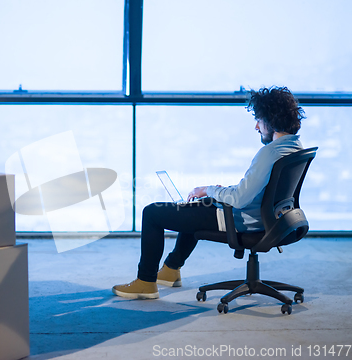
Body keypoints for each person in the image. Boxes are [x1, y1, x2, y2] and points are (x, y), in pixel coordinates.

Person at [112, 86, 306, 299]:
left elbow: (240, 198)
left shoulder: (269, 153)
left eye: (259, 120)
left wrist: (208, 190)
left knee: (152, 213)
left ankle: (145, 283)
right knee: (192, 208)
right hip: (269, 220)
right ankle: (170, 269)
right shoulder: (295, 148)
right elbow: (255, 192)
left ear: (271, 119)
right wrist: (216, 193)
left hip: (241, 220)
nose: (256, 127)